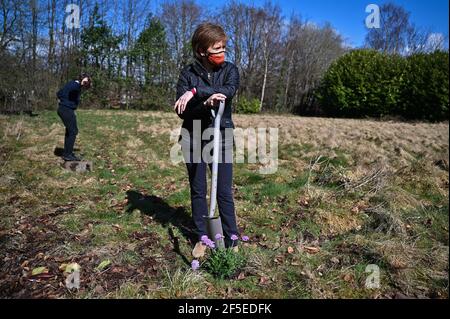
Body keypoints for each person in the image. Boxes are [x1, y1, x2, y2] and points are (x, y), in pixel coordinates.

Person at [174, 23, 240, 258]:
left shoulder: (230, 70)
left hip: (221, 135)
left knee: (223, 190)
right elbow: (183, 112)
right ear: (202, 50)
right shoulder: (187, 74)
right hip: (193, 135)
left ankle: (232, 238)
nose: (222, 52)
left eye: (224, 47)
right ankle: (202, 236)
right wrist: (203, 102)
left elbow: (227, 90)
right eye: (216, 48)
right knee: (198, 188)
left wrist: (193, 93)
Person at [57, 73, 92, 161]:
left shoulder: (71, 83)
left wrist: (65, 101)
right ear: (82, 79)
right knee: (73, 131)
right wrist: (81, 83)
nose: (86, 83)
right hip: (66, 110)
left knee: (70, 131)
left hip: (64, 109)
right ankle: (67, 154)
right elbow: (74, 89)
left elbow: (59, 93)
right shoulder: (75, 85)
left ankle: (67, 152)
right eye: (86, 81)